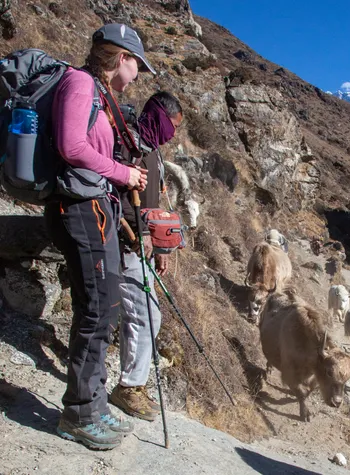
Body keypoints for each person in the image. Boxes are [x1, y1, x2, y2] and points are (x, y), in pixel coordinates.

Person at [44, 23, 154, 450]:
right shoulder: (80, 83)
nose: (138, 74)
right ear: (120, 57)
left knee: (103, 307)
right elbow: (71, 146)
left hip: (94, 209)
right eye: (136, 64)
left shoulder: (99, 93)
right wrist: (122, 172)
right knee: (96, 310)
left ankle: (93, 404)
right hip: (78, 209)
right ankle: (78, 412)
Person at [110, 91, 183, 421]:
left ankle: (133, 384)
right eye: (173, 125)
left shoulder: (152, 153)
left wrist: (161, 248)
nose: (174, 133)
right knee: (145, 315)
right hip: (123, 244)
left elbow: (152, 206)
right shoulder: (127, 144)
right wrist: (134, 234)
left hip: (143, 246)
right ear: (159, 117)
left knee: (144, 314)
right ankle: (128, 387)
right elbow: (115, 196)